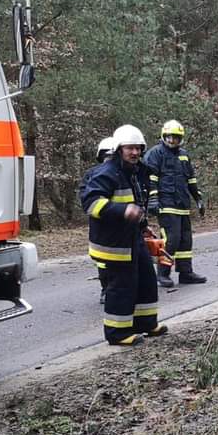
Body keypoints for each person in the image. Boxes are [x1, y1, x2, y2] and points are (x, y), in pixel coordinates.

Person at [80, 124, 168, 345]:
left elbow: (137, 203)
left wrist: (144, 226)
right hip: (114, 244)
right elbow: (91, 203)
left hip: (133, 238)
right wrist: (122, 210)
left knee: (147, 280)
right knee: (122, 287)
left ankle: (146, 324)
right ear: (119, 149)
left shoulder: (136, 173)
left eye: (138, 148)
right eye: (130, 148)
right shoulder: (106, 173)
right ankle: (117, 334)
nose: (135, 152)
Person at [144, 119, 207, 287]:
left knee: (185, 240)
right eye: (170, 137)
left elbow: (191, 179)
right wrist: (153, 199)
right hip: (165, 204)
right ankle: (163, 273)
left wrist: (198, 198)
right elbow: (150, 179)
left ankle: (186, 273)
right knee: (171, 239)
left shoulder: (184, 155)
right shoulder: (156, 153)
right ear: (164, 136)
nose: (172, 141)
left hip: (182, 204)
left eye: (176, 138)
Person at [81, 136, 116, 304]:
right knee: (103, 262)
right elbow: (86, 200)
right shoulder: (92, 174)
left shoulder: (126, 173)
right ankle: (105, 289)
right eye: (106, 156)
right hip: (101, 226)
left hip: (122, 227)